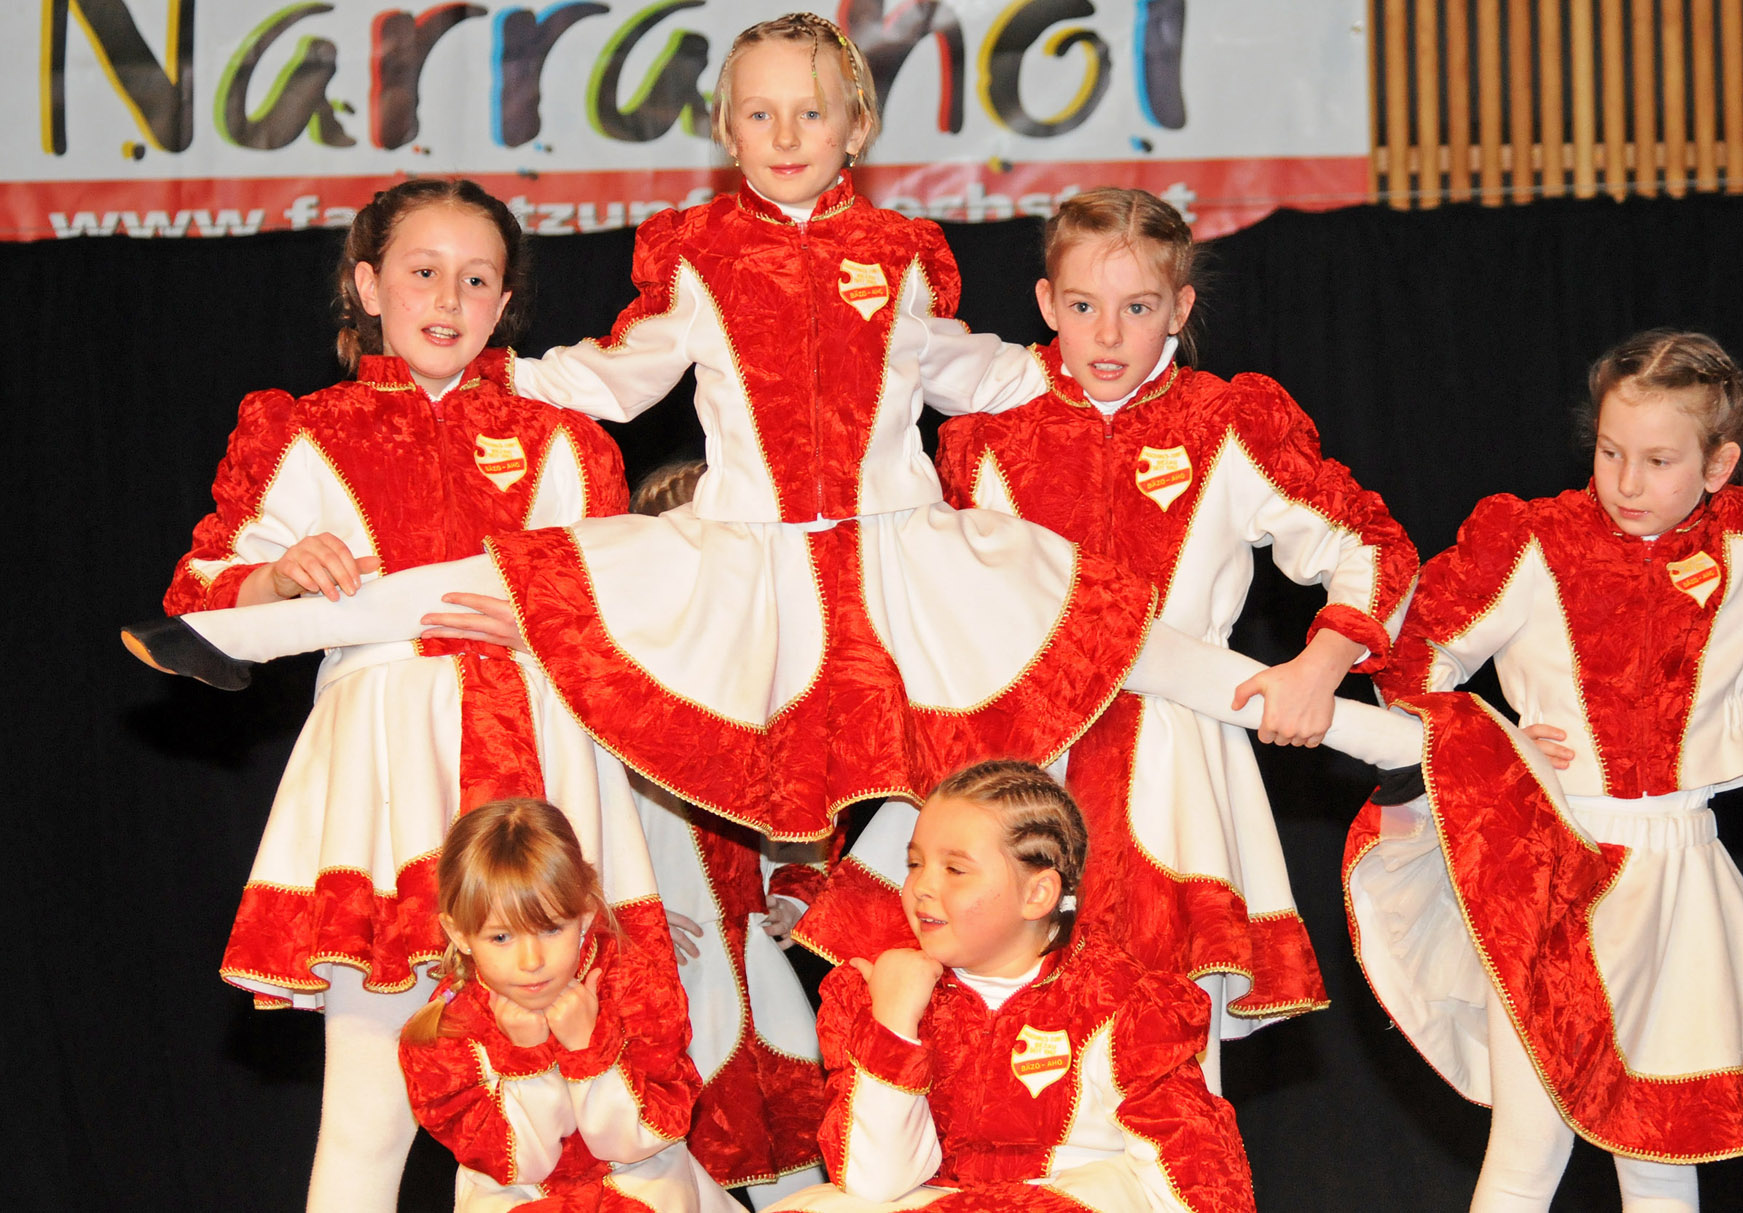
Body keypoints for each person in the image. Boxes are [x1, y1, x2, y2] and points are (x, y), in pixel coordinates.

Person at [121, 14, 1423, 844]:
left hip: (895, 542)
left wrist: (1071, 364)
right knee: (532, 578)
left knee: (1108, 639)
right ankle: (245, 631)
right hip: (747, 546)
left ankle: (1383, 740)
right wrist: (503, 369)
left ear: (854, 126)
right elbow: (624, 376)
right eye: (758, 113)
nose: (785, 134)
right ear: (726, 131)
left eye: (810, 111)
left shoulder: (896, 252)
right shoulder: (696, 254)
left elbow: (959, 368)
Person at [796, 187, 1417, 1089]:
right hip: (1009, 763)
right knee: (980, 1055)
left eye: (1139, 307)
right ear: (1047, 303)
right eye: (1084, 306)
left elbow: (1372, 546)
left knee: (1165, 1067)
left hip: (1172, 772)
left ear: (1181, 308)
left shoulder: (1225, 423)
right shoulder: (986, 433)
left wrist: (1320, 666)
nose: (1110, 334)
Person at [1345, 217, 1743, 1210]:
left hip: (1678, 876)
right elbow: (1411, 654)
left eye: (1660, 460)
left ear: (1719, 465)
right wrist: (1496, 743)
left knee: (1660, 1152)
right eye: (1610, 452)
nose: (1628, 482)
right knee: (1528, 1144)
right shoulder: (1533, 541)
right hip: (1554, 865)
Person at [150, 177, 652, 1212]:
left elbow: (636, 623)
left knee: (556, 1119)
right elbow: (198, 602)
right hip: (388, 785)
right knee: (368, 1117)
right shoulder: (307, 435)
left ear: (505, 302)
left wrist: (550, 623)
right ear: (369, 286)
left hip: (544, 769)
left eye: (478, 279)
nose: (449, 298)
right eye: (424, 272)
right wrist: (279, 576)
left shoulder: (566, 442)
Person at [759, 760, 1257, 1213]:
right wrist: (893, 1026)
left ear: (1037, 893)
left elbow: (1196, 1168)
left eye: (954, 869)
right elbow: (875, 1182)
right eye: (915, 864)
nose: (922, 887)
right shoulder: (872, 992)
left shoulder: (1118, 1002)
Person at [627, 460, 829, 1202]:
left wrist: (794, 893)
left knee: (792, 1128)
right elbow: (568, 825)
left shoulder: (772, 679)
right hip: (660, 966)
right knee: (671, 1146)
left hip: (751, 956)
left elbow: (809, 810)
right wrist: (620, 916)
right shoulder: (612, 686)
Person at [400, 798, 739, 1212]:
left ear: (585, 914)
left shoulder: (633, 985)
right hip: (517, 1194)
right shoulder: (444, 1033)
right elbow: (523, 1166)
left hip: (645, 1177)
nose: (531, 961)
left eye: (550, 929)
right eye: (501, 937)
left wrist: (589, 1052)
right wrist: (526, 1061)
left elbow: (642, 1141)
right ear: (459, 934)